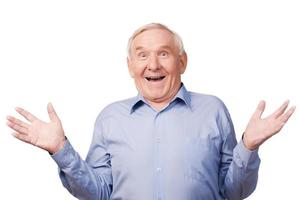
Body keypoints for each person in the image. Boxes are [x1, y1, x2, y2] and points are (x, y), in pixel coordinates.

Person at [6, 23, 296, 200]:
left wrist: (249, 146)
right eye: (142, 55)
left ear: (182, 62)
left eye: (164, 53)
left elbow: (234, 193)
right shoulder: (110, 118)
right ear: (130, 66)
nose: (153, 65)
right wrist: (61, 149)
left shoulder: (213, 111)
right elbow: (98, 194)